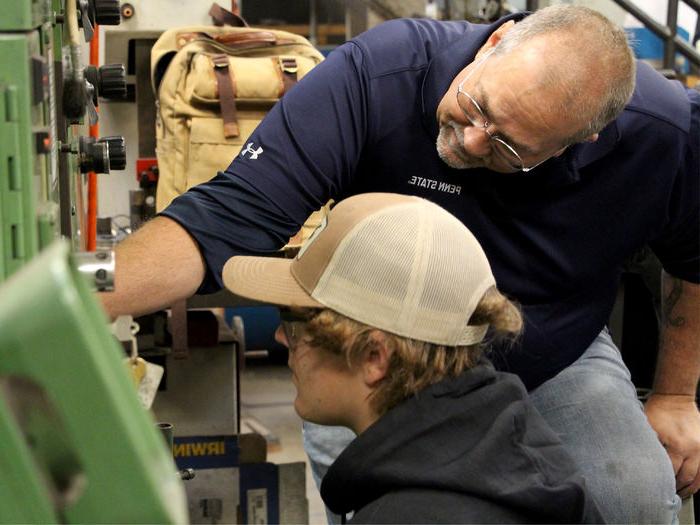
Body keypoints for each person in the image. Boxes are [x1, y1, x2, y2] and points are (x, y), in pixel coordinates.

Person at [101, 4, 700, 523]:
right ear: (493, 44)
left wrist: (676, 397)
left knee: (630, 497)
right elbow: (228, 219)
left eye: (509, 146)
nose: (469, 142)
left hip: (552, 347)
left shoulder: (664, 135)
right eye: (476, 106)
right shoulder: (379, 73)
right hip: (377, 343)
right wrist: (75, 299)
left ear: (581, 141)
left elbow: (693, 257)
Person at [223, 192, 604, 523]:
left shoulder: (405, 516)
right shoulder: (518, 454)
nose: (278, 337)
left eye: (295, 325)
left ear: (374, 357)